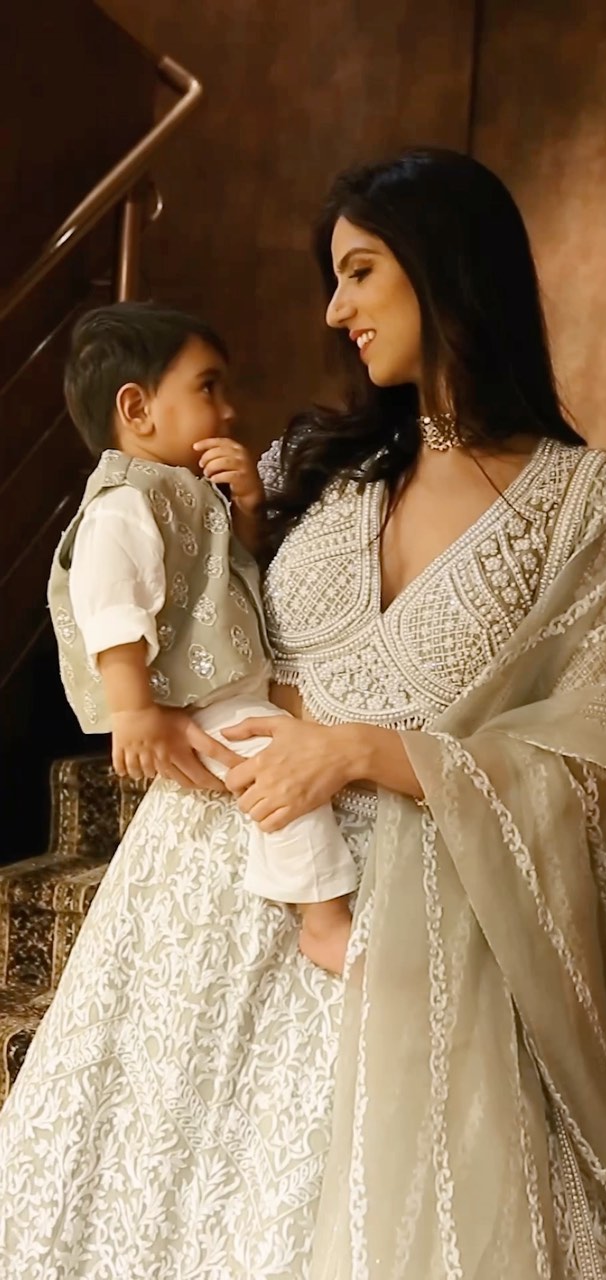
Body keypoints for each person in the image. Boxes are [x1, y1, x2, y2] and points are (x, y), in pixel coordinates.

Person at [0, 149, 606, 1279]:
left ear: (445, 265)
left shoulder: (590, 507)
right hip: (195, 901)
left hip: (410, 925)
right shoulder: (314, 466)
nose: (334, 309)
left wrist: (362, 750)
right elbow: (175, 596)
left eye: (359, 271)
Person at [48, 302, 357, 971]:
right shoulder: (124, 503)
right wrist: (134, 711)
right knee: (279, 771)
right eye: (207, 388)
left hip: (226, 685)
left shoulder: (185, 491)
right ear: (138, 409)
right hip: (197, 696)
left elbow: (231, 570)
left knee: (275, 753)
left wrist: (247, 508)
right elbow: (113, 608)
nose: (228, 410)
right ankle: (324, 918)